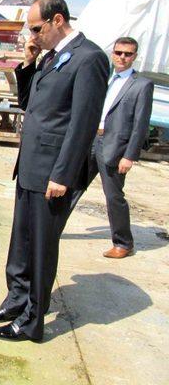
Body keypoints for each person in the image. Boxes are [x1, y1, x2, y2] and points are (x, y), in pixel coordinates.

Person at [0, 0, 109, 342]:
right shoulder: (50, 57)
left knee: (40, 246)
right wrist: (29, 64)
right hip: (30, 166)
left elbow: (83, 123)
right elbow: (31, 106)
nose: (32, 36)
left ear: (58, 20)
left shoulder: (89, 58)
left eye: (37, 29)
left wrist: (63, 175)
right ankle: (16, 300)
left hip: (53, 172)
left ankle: (33, 321)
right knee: (20, 241)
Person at [69, 37, 154, 259]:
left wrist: (130, 155)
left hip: (114, 148)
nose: (122, 57)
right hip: (89, 141)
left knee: (113, 196)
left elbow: (140, 124)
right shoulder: (104, 78)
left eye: (127, 54)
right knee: (71, 186)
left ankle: (124, 243)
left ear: (135, 56)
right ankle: (51, 229)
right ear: (112, 53)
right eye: (118, 53)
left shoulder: (142, 85)